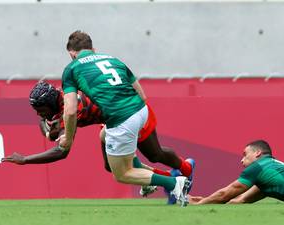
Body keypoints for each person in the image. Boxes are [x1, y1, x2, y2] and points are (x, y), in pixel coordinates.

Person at [57, 30, 193, 206]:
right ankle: (152, 181)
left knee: (122, 174)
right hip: (141, 110)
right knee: (104, 135)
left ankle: (174, 183)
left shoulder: (71, 69)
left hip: (122, 119)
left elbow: (70, 111)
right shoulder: (113, 60)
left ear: (71, 53)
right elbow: (141, 94)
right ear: (93, 49)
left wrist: (68, 138)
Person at [1, 81, 160, 196]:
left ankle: (172, 180)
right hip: (112, 120)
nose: (38, 113)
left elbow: (62, 152)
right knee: (113, 166)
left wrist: (25, 160)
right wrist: (47, 124)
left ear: (49, 104)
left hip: (121, 119)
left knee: (137, 164)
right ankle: (162, 180)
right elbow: (48, 128)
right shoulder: (56, 98)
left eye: (40, 110)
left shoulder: (69, 107)